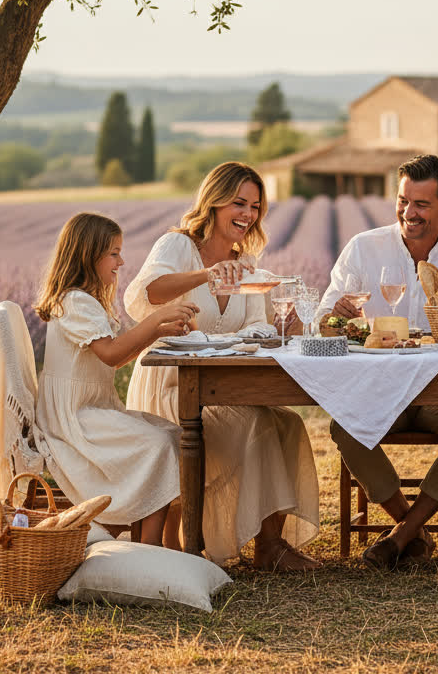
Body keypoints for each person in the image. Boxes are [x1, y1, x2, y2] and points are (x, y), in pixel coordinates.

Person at [124, 161, 320, 572]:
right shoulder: (177, 246)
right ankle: (260, 547)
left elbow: (258, 324)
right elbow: (144, 293)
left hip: (224, 385)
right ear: (213, 203)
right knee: (258, 425)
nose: (248, 214)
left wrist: (293, 319)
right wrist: (206, 275)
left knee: (288, 423)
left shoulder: (246, 263)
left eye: (255, 206)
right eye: (238, 203)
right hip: (173, 387)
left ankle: (270, 545)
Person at [319, 154, 438, 570]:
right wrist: (336, 314)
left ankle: (399, 537)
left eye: (421, 204)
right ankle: (411, 529)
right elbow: (322, 322)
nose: (408, 213)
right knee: (343, 425)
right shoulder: (364, 248)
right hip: (379, 388)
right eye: (402, 201)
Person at [33, 212, 197, 548]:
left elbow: (117, 359)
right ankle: (148, 548)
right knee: (158, 444)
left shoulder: (89, 302)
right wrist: (156, 319)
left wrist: (160, 330)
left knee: (175, 436)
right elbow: (110, 353)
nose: (121, 261)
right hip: (74, 420)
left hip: (90, 410)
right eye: (113, 253)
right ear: (87, 255)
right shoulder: (74, 301)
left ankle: (166, 542)